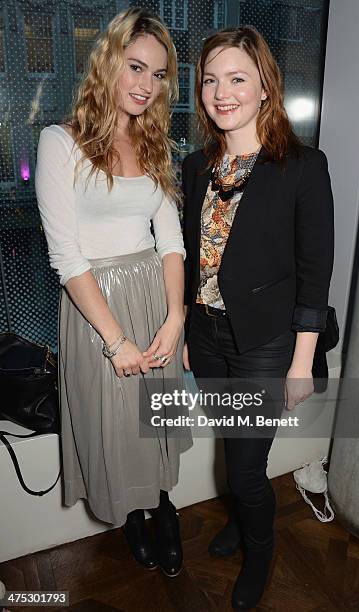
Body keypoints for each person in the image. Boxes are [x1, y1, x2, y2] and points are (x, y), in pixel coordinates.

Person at [35, 7, 192, 578]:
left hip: (156, 297)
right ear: (109, 61)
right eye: (136, 67)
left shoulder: (155, 144)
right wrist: (116, 341)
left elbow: (171, 239)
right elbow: (66, 256)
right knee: (119, 423)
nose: (147, 86)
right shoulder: (60, 141)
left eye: (158, 75)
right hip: (98, 310)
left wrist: (176, 319)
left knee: (159, 418)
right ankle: (133, 516)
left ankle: (165, 505)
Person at [182, 26, 334, 609]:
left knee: (246, 470)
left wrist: (300, 361)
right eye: (211, 80)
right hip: (211, 338)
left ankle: (261, 550)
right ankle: (242, 525)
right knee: (230, 449)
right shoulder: (198, 166)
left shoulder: (301, 166)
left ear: (265, 86)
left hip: (268, 346)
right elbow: (200, 259)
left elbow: (313, 272)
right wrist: (195, 334)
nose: (222, 92)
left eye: (238, 78)